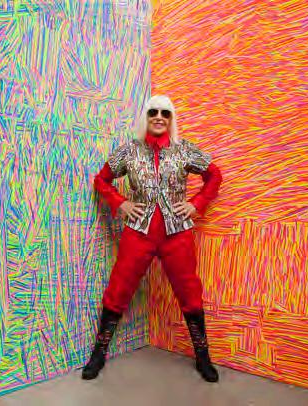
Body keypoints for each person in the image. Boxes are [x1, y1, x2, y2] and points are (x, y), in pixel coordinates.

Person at [82, 95, 223, 382]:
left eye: (165, 113)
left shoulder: (185, 149)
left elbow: (214, 176)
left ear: (171, 119)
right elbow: (101, 180)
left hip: (177, 234)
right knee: (118, 288)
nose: (159, 117)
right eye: (153, 112)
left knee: (189, 292)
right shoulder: (129, 151)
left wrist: (196, 204)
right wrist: (121, 203)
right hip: (139, 233)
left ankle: (203, 356)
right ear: (146, 117)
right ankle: (99, 353)